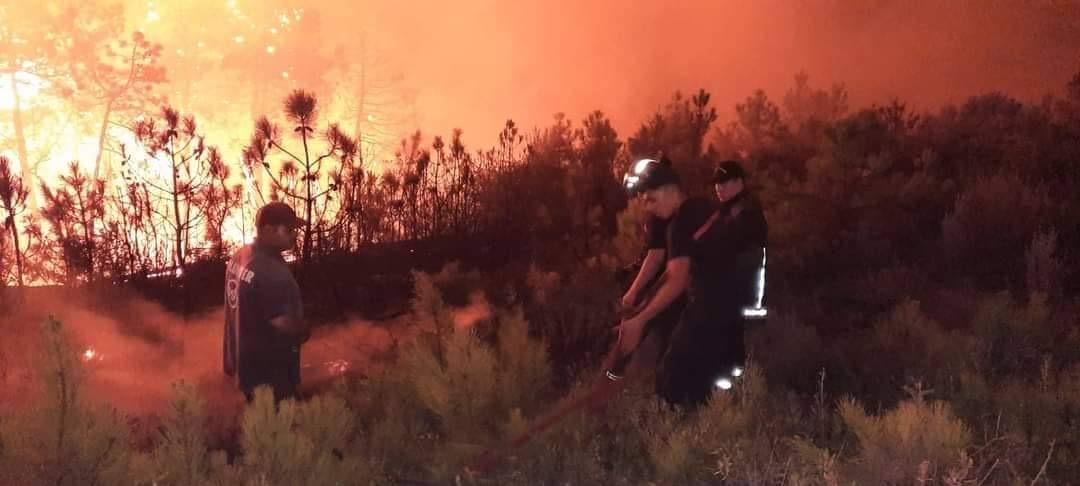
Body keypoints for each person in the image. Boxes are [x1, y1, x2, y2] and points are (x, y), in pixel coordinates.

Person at [617, 159, 767, 408]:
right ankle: (723, 423)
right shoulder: (704, 206)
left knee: (671, 380)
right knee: (719, 376)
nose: (647, 206)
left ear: (669, 190)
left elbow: (676, 279)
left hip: (710, 307)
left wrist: (639, 321)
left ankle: (688, 433)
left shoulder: (680, 223)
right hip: (733, 304)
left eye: (651, 199)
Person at [223, 201, 310, 403]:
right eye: (289, 229)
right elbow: (281, 322)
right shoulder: (272, 272)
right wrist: (304, 329)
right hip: (271, 376)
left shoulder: (240, 256)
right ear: (268, 230)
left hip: (244, 368)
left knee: (258, 427)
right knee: (280, 429)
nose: (294, 234)